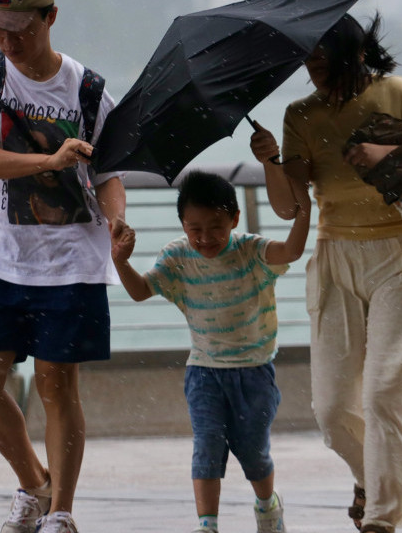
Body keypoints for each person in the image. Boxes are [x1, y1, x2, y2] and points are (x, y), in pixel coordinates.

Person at [248, 13, 402, 533]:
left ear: (354, 52)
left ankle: (383, 518)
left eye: (323, 56)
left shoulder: (399, 92)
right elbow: (288, 207)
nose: (313, 67)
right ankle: (373, 478)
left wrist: (388, 152)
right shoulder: (301, 114)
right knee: (332, 410)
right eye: (308, 58)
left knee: (387, 385)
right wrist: (272, 162)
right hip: (335, 255)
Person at [0, 0, 127, 533]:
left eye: (20, 29)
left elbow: (108, 175)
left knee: (58, 387)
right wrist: (50, 162)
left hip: (72, 258)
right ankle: (33, 480)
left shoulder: (89, 90)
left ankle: (62, 512)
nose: (9, 41)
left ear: (50, 18)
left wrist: (118, 220)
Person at [108, 170, 310, 533]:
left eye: (216, 226)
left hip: (255, 370)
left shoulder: (252, 250)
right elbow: (141, 291)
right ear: (182, 225)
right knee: (207, 446)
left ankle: (267, 505)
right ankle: (207, 525)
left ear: (235, 218)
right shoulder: (177, 257)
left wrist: (305, 210)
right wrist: (121, 261)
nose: (205, 238)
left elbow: (292, 251)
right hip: (203, 371)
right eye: (194, 228)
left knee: (253, 451)